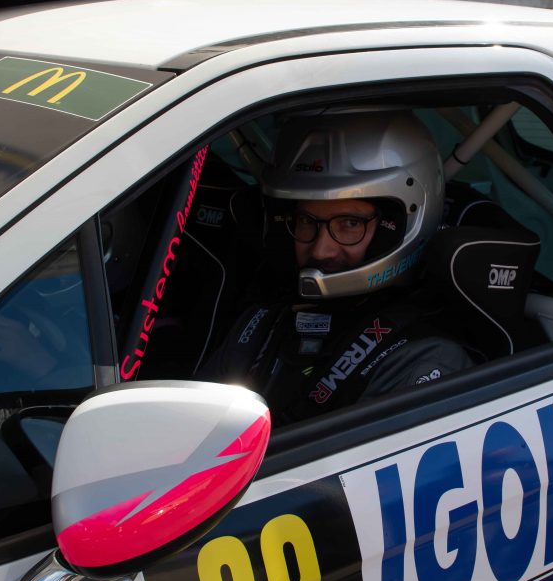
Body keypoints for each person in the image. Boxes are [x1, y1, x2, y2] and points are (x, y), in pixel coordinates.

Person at [203, 110, 474, 426]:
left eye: (349, 224)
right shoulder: (260, 327)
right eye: (306, 222)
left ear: (399, 224)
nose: (321, 249)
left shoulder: (424, 359)